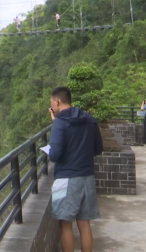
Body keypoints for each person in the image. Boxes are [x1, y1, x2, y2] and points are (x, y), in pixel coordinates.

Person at [48, 86, 103, 252]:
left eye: (52, 103)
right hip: (87, 177)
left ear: (57, 101)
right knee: (84, 224)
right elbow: (98, 148)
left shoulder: (60, 123)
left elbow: (55, 155)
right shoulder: (90, 119)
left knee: (65, 225)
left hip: (66, 178)